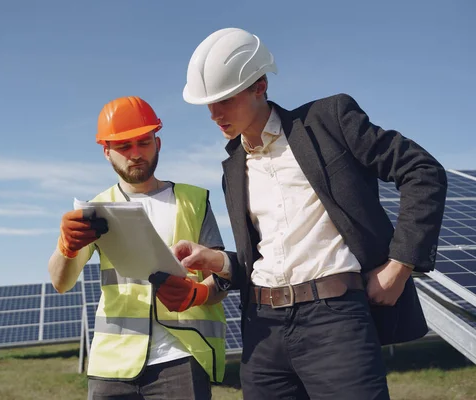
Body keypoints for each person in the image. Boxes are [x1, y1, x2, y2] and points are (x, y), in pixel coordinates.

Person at [157, 28, 448, 399]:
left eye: (225, 99)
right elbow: (263, 255)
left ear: (259, 85)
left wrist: (400, 266)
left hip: (335, 322)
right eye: (208, 104)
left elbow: (422, 171)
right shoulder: (233, 166)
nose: (214, 114)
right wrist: (218, 260)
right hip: (262, 332)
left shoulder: (329, 120)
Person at [48, 95, 228, 400]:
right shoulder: (96, 210)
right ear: (106, 151)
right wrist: (66, 247)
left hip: (179, 357)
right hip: (112, 365)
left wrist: (200, 293)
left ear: (158, 142)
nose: (135, 154)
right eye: (124, 147)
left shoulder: (194, 201)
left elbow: (222, 276)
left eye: (143, 142)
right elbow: (60, 282)